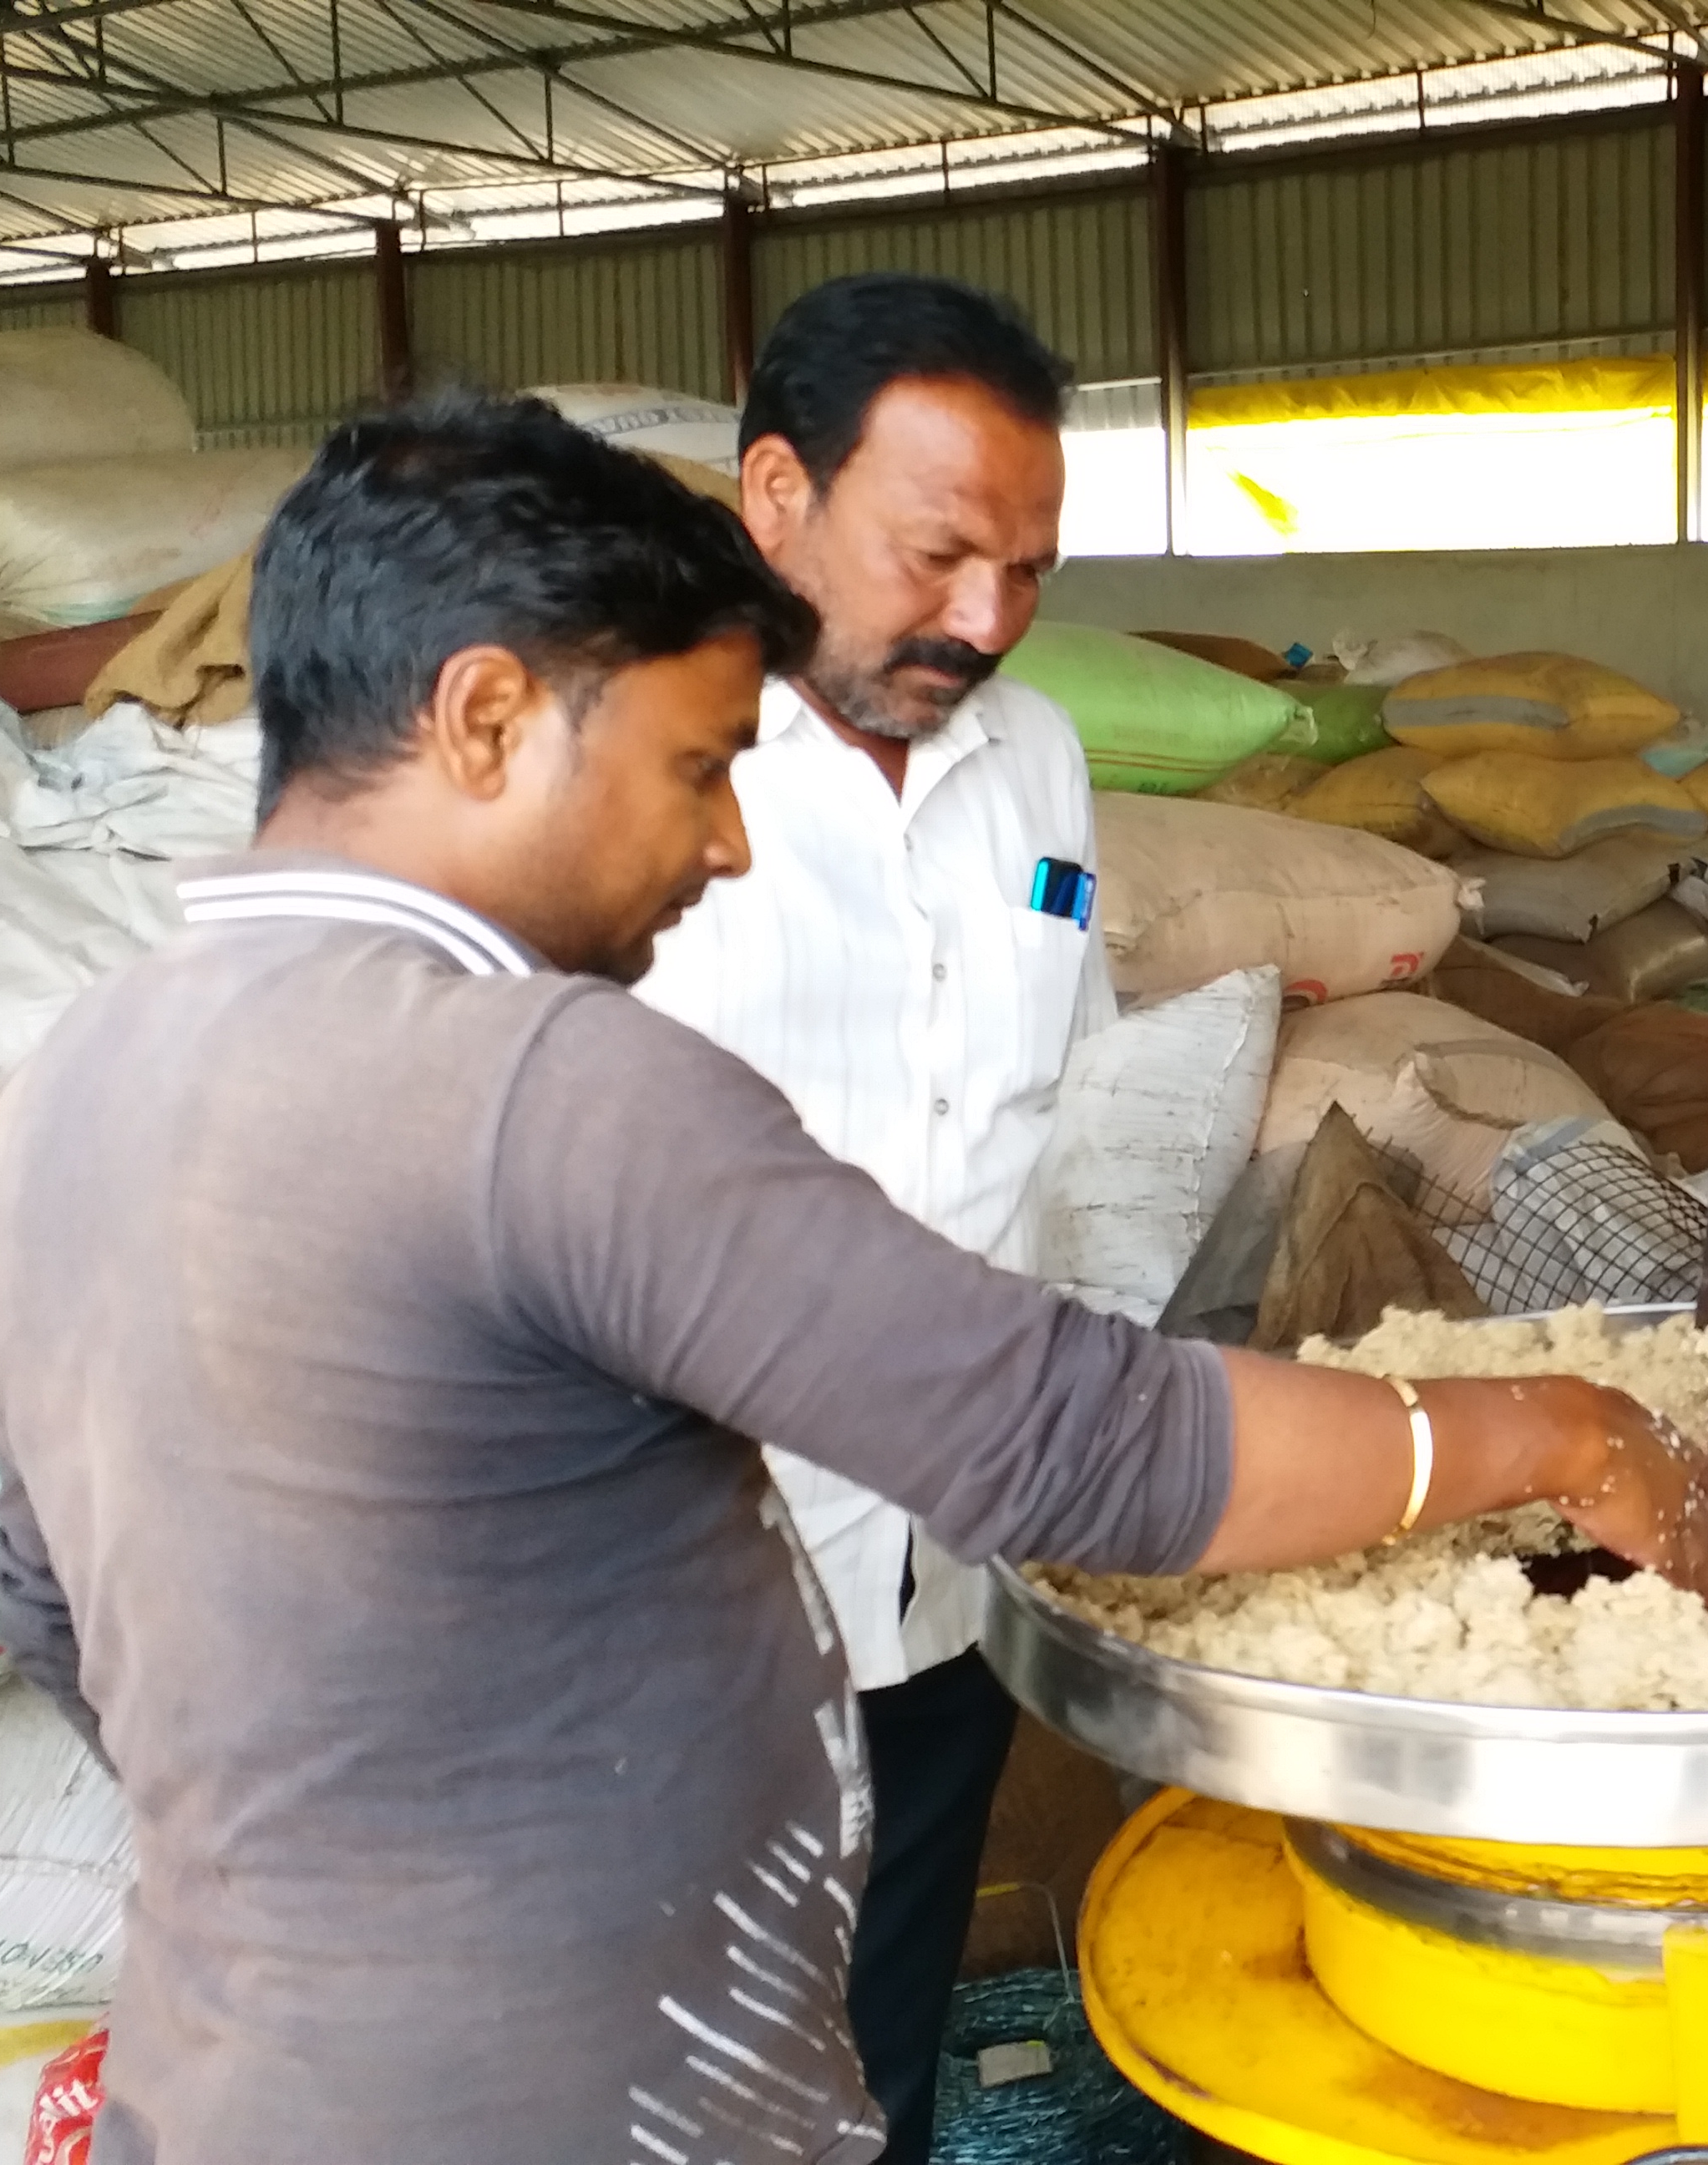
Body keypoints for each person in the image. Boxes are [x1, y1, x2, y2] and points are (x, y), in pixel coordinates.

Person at [0, 393, 1708, 2165]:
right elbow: (1072, 1445)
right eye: (694, 767)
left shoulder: (58, 1099)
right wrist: (1559, 1433)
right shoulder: (540, 1087)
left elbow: (57, 1612)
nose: (727, 843)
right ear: (486, 716)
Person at [627, 272, 1103, 2159]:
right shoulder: (647, 776)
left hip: (949, 1578)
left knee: (878, 2067)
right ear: (773, 498)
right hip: (695, 1602)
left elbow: (1051, 1116)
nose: (984, 619)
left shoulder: (1041, 766)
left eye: (1031, 569)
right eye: (938, 555)